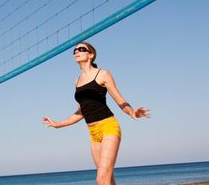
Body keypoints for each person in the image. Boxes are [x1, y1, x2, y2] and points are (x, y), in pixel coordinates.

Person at [42, 42, 150, 185]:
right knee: (108, 179)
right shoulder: (77, 81)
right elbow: (81, 112)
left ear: (91, 55)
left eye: (81, 49)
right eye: (74, 50)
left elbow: (119, 99)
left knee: (101, 179)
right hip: (93, 133)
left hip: (108, 127)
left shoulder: (102, 74)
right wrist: (58, 124)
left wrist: (132, 112)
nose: (76, 51)